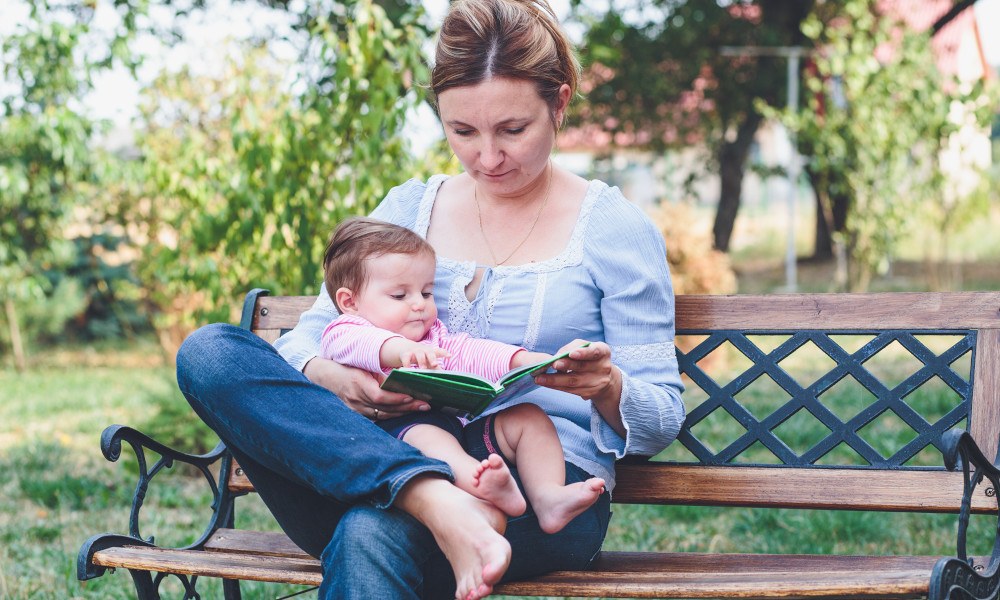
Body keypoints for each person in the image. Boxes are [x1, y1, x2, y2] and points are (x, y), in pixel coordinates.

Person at [175, 0, 685, 599]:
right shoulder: (409, 208)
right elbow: (307, 341)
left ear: (561, 103)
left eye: (512, 130)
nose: (487, 158)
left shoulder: (613, 228)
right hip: (372, 457)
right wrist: (341, 381)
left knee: (369, 532)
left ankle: (433, 502)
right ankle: (434, 498)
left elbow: (661, 416)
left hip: (531, 493)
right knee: (210, 352)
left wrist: (606, 387)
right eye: (462, 131)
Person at [319, 216, 607, 533]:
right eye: (400, 296)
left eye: (426, 293)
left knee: (529, 418)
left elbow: (472, 351)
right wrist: (401, 351)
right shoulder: (344, 330)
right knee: (427, 434)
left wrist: (528, 360)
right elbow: (362, 345)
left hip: (458, 435)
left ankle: (549, 498)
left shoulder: (432, 338)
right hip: (392, 445)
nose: (418, 305)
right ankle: (480, 485)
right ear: (350, 301)